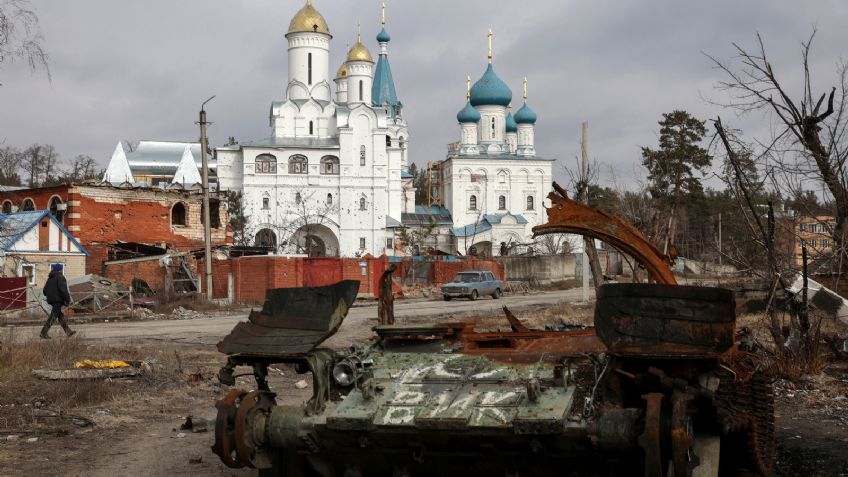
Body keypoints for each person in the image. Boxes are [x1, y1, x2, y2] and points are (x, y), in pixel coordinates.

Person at [40, 263, 75, 339]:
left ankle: (68, 331)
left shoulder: (50, 278)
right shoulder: (60, 277)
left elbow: (44, 291)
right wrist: (67, 300)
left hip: (51, 300)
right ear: (60, 269)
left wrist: (50, 295)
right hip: (58, 300)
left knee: (60, 316)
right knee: (53, 316)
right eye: (62, 269)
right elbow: (63, 290)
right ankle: (43, 332)